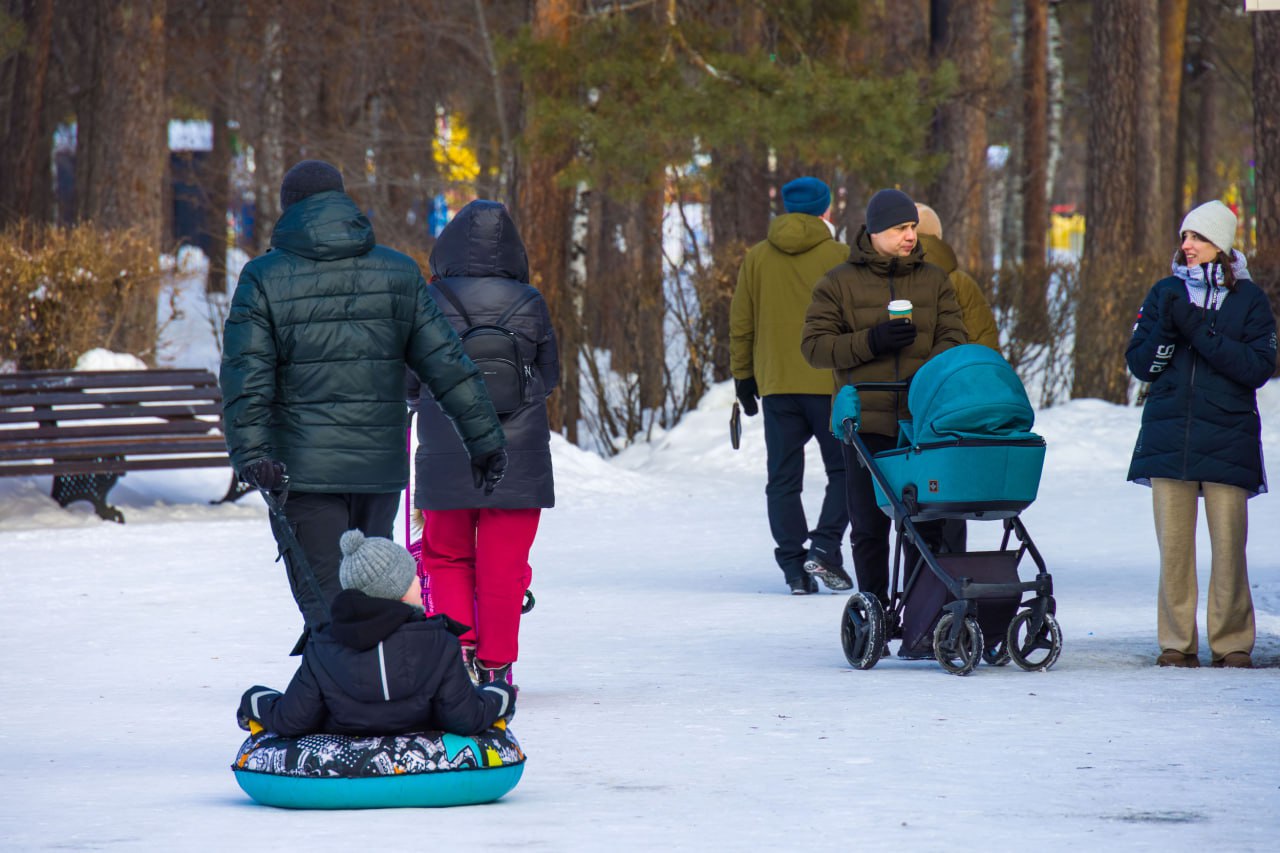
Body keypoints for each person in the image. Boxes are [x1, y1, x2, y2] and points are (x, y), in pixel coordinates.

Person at [221, 160, 508, 654]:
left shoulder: (264, 276)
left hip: (300, 470)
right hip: (377, 468)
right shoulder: (397, 271)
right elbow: (447, 362)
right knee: (373, 593)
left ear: (289, 209)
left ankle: (346, 705)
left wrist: (252, 454)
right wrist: (483, 439)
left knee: (329, 602)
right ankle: (379, 695)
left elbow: (245, 376)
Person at [409, 200, 559, 685]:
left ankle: (461, 657)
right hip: (519, 452)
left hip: (446, 443)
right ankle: (497, 666)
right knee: (505, 564)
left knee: (447, 554)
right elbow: (550, 376)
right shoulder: (530, 301)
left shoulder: (430, 299)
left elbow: (410, 379)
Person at [1125, 199, 1277, 669]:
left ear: (1222, 245)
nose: (1187, 246)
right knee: (1173, 549)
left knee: (1229, 548)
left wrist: (1196, 329)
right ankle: (1176, 642)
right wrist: (1169, 331)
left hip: (1228, 436)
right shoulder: (1165, 291)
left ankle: (1231, 641)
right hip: (1170, 434)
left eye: (1199, 238)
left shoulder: (1249, 300)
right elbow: (1139, 363)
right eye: (1185, 237)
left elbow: (1255, 367)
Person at [801, 187, 966, 615]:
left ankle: (921, 617)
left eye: (912, 227)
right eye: (899, 228)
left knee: (922, 525)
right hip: (864, 423)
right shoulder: (838, 282)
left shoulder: (934, 280)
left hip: (920, 422)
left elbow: (954, 338)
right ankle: (873, 607)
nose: (910, 236)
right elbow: (815, 348)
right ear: (874, 232)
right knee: (869, 526)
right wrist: (871, 341)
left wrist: (928, 372)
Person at [237, 529, 515, 737]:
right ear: (399, 590)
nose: (419, 580)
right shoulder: (439, 641)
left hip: (344, 741)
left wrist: (255, 699)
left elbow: (294, 719)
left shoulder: (322, 643)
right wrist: (500, 695)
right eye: (412, 577)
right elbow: (463, 717)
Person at [730, 176, 853, 595]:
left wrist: (744, 378)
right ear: (825, 210)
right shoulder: (840, 256)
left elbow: (741, 323)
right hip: (830, 383)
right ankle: (825, 544)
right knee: (846, 471)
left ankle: (793, 567)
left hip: (777, 383)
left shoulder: (757, 257)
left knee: (783, 477)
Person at [915, 202, 1000, 555]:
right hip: (955, 401)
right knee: (950, 488)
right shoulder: (960, 281)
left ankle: (918, 577)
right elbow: (984, 343)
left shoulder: (891, 280)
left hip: (909, 400)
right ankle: (953, 569)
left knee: (913, 490)